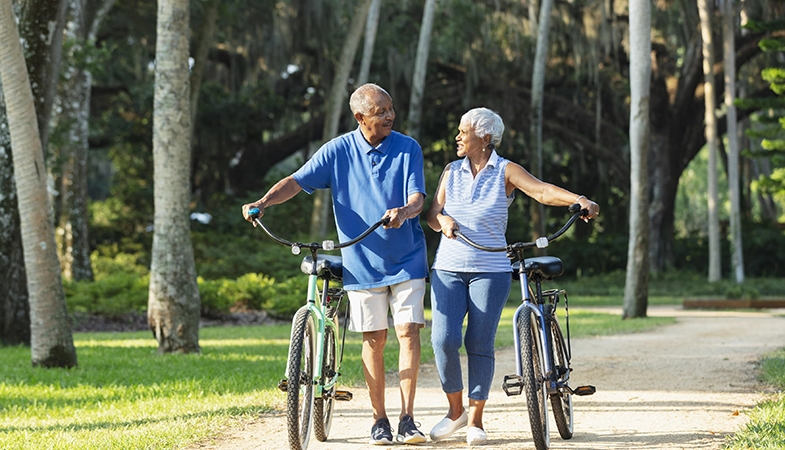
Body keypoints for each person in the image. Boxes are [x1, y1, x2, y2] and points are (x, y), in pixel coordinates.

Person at [242, 83, 429, 445]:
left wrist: (404, 212)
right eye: (381, 112)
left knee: (408, 332)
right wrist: (263, 202)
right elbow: (296, 181)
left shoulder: (408, 148)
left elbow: (417, 198)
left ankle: (408, 419)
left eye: (391, 109)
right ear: (360, 117)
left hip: (407, 257)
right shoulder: (338, 150)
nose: (390, 116)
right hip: (360, 261)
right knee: (374, 339)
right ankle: (380, 421)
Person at [425, 107, 599, 445]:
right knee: (443, 340)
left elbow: (542, 191)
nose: (458, 136)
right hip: (447, 267)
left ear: (485, 138)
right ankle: (455, 411)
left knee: (479, 342)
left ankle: (475, 419)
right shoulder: (451, 170)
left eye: (464, 131)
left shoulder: (505, 170)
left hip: (490, 270)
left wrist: (578, 200)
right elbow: (434, 212)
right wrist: (442, 221)